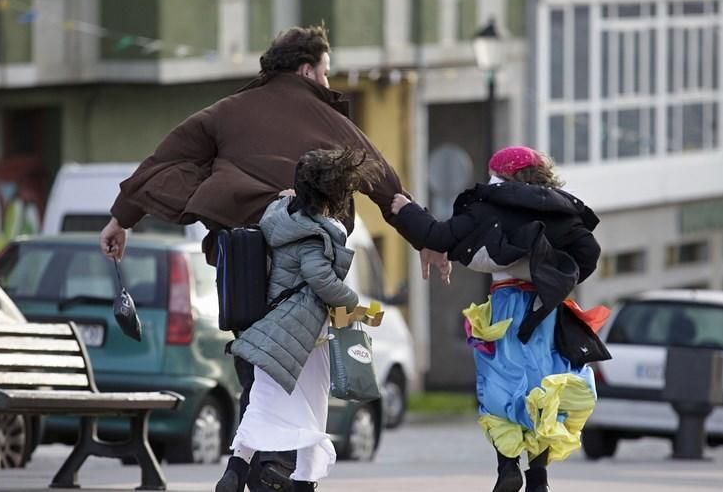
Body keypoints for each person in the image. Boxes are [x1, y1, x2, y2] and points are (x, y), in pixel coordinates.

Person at [98, 25, 450, 490]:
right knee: (298, 377)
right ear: (306, 69)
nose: (328, 84)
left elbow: (161, 161)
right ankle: (273, 469)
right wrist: (424, 236)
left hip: (241, 269)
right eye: (325, 73)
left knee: (259, 371)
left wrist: (122, 219)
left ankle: (251, 466)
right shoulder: (331, 122)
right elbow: (386, 185)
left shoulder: (226, 112)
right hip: (306, 283)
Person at [390, 146, 602, 492]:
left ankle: (507, 468)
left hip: (505, 309)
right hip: (545, 310)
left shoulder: (488, 207)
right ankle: (538, 477)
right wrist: (553, 271)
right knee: (542, 387)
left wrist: (406, 211)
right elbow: (588, 255)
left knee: (501, 384)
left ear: (500, 176)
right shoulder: (563, 210)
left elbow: (438, 235)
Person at [216, 147, 380, 492]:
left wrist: (288, 197)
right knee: (312, 411)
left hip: (269, 326)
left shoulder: (278, 215)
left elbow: (282, 206)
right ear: (334, 194)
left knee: (260, 402)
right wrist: (353, 302)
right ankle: (305, 483)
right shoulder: (318, 233)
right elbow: (319, 278)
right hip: (307, 335)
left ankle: (235, 470)